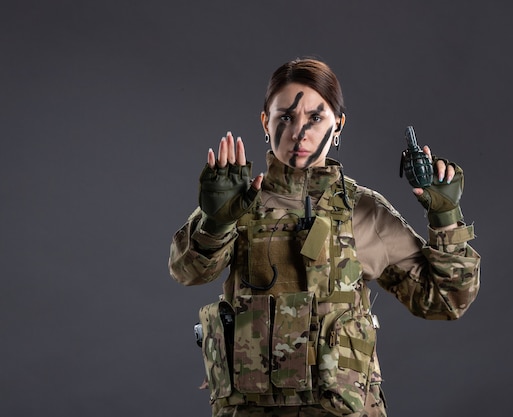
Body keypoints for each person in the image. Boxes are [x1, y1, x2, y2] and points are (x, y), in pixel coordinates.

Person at [168, 58, 481, 417]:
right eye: (285, 116)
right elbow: (187, 272)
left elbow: (444, 301)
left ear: (338, 126)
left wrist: (445, 220)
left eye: (315, 118)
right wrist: (216, 222)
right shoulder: (237, 200)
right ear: (264, 122)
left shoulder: (364, 211)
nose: (299, 132)